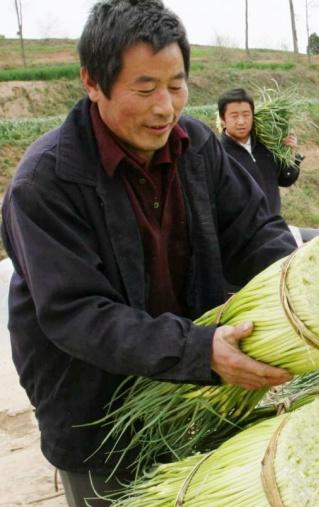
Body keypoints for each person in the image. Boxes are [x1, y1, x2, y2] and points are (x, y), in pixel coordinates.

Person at [0, 1, 296, 505]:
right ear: (92, 82)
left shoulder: (198, 147)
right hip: (98, 416)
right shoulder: (45, 183)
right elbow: (78, 315)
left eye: (176, 84)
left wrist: (298, 287)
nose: (166, 107)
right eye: (145, 88)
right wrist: (200, 351)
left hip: (198, 395)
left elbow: (255, 231)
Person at [217, 87, 302, 217]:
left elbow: (285, 179)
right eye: (234, 116)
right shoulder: (217, 153)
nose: (241, 121)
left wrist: (290, 154)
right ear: (223, 120)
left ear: (253, 116)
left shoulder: (267, 145)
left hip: (273, 226)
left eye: (246, 115)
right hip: (240, 232)